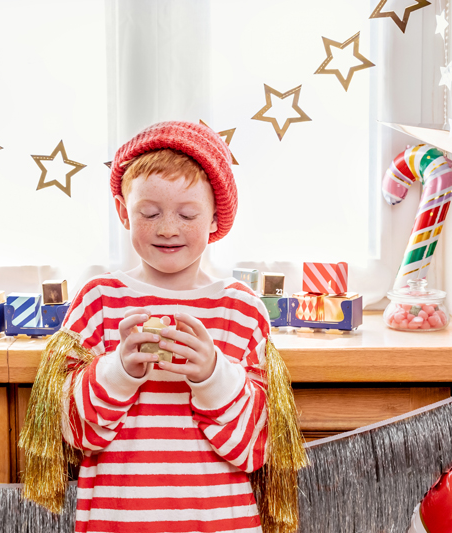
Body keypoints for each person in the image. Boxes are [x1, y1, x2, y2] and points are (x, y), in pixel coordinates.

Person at [20, 121, 304, 533]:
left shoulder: (240, 308)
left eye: (187, 214)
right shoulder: (98, 301)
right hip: (119, 521)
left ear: (214, 218)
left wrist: (212, 375)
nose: (168, 228)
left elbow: (256, 448)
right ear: (123, 212)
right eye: (149, 213)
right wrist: (118, 371)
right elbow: (73, 433)